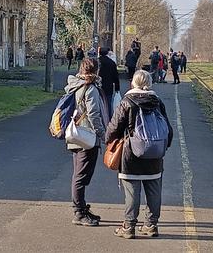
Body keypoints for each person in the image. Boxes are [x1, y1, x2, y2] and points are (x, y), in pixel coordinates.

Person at [105, 70, 173, 239]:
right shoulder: (157, 102)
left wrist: (108, 141)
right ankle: (151, 225)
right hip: (155, 154)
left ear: (133, 83)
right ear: (149, 83)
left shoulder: (127, 102)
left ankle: (129, 227)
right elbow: (168, 130)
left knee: (132, 192)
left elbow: (114, 127)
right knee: (154, 191)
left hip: (131, 154)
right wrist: (162, 147)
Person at [64, 58, 106, 226]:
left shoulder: (75, 85)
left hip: (75, 134)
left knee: (78, 174)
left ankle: (81, 208)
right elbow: (94, 115)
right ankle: (79, 212)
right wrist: (103, 135)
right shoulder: (90, 88)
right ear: (96, 70)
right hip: (86, 136)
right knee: (81, 176)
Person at [99, 47, 121, 119]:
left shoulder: (97, 62)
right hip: (109, 86)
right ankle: (108, 118)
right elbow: (115, 76)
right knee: (108, 103)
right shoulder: (111, 63)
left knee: (98, 102)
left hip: (98, 86)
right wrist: (117, 87)